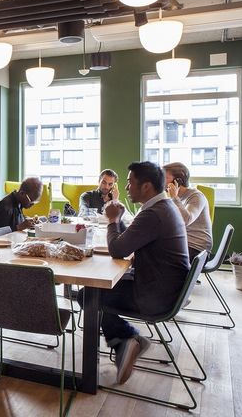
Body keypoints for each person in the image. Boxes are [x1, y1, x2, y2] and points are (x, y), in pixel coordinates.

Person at [78, 161, 189, 384]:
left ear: (146, 186)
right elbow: (128, 240)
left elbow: (118, 250)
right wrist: (116, 223)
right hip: (165, 289)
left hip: (155, 297)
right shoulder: (162, 208)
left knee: (87, 294)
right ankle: (126, 341)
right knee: (97, 288)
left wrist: (112, 220)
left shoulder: (153, 214)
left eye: (130, 182)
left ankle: (127, 340)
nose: (126, 187)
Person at [163, 162, 213, 260]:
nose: (160, 181)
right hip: (183, 244)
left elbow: (186, 220)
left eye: (164, 178)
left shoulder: (196, 196)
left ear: (178, 181)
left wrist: (174, 197)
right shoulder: (175, 198)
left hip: (196, 249)